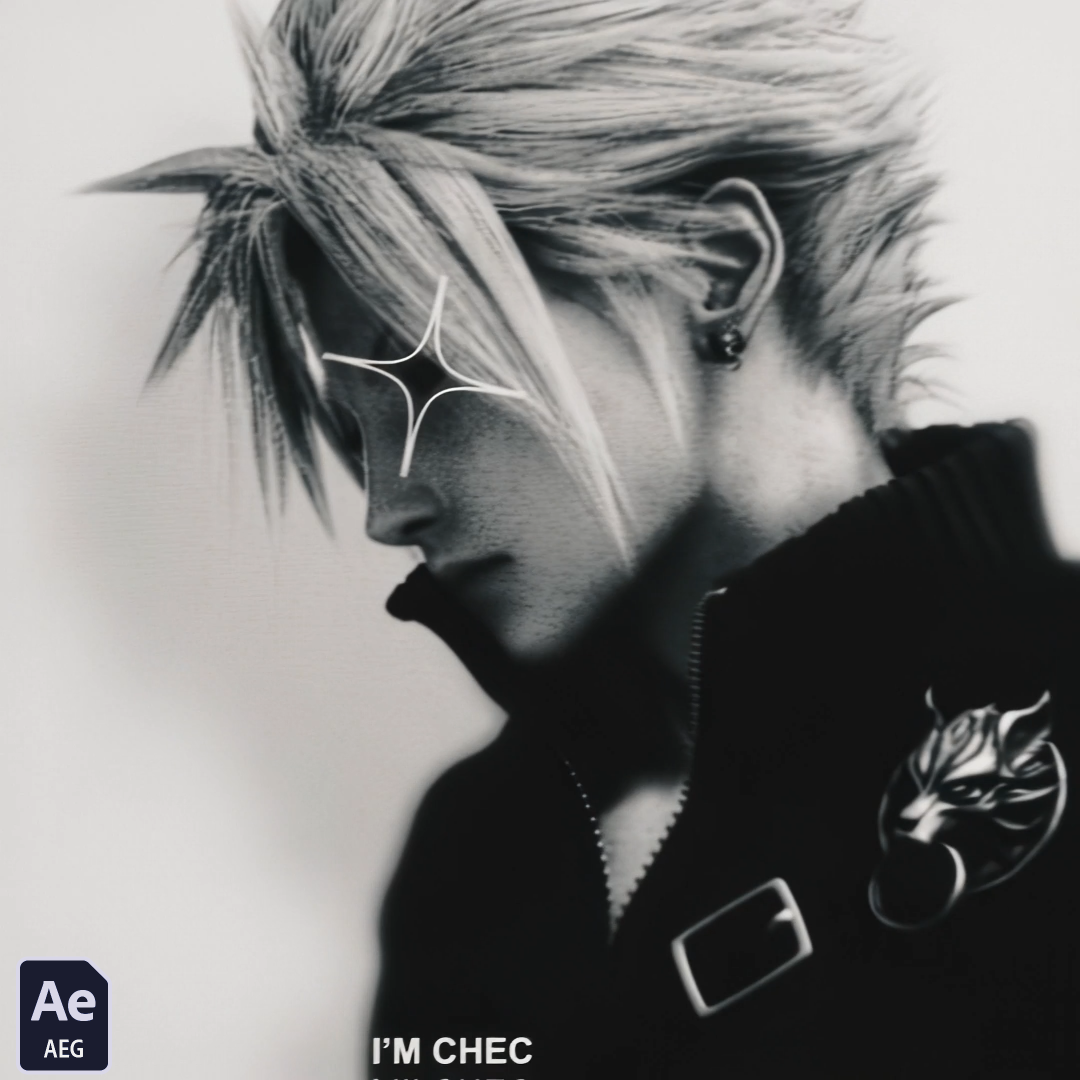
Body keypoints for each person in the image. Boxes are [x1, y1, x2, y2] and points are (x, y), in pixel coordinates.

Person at [91, 0, 1078, 1075]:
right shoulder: (475, 864)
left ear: (716, 265)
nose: (386, 509)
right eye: (355, 430)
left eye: (430, 377)